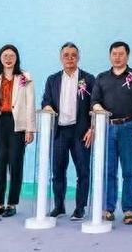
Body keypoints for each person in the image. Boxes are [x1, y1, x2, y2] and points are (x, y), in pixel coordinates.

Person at [91, 41, 132, 225]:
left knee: (129, 170)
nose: (117, 57)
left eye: (121, 54)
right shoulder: (102, 78)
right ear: (110, 56)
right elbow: (94, 101)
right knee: (109, 170)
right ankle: (108, 208)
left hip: (128, 127)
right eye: (114, 54)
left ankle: (129, 210)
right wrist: (101, 110)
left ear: (127, 56)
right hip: (107, 128)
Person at [41, 42, 95, 220]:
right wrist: (47, 107)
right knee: (57, 172)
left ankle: (80, 208)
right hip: (60, 132)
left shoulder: (88, 79)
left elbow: (95, 104)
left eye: (73, 55)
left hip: (81, 132)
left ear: (78, 57)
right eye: (66, 55)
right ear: (60, 58)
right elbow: (46, 101)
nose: (70, 58)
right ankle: (59, 206)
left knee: (83, 171)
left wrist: (92, 128)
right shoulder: (52, 80)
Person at [0, 44, 35, 217]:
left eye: (12, 55)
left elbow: (30, 104)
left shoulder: (25, 77)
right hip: (0, 122)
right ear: (0, 58)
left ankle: (12, 203)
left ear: (16, 58)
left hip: (18, 124)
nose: (8, 59)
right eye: (5, 55)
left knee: (15, 163)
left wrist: (30, 129)